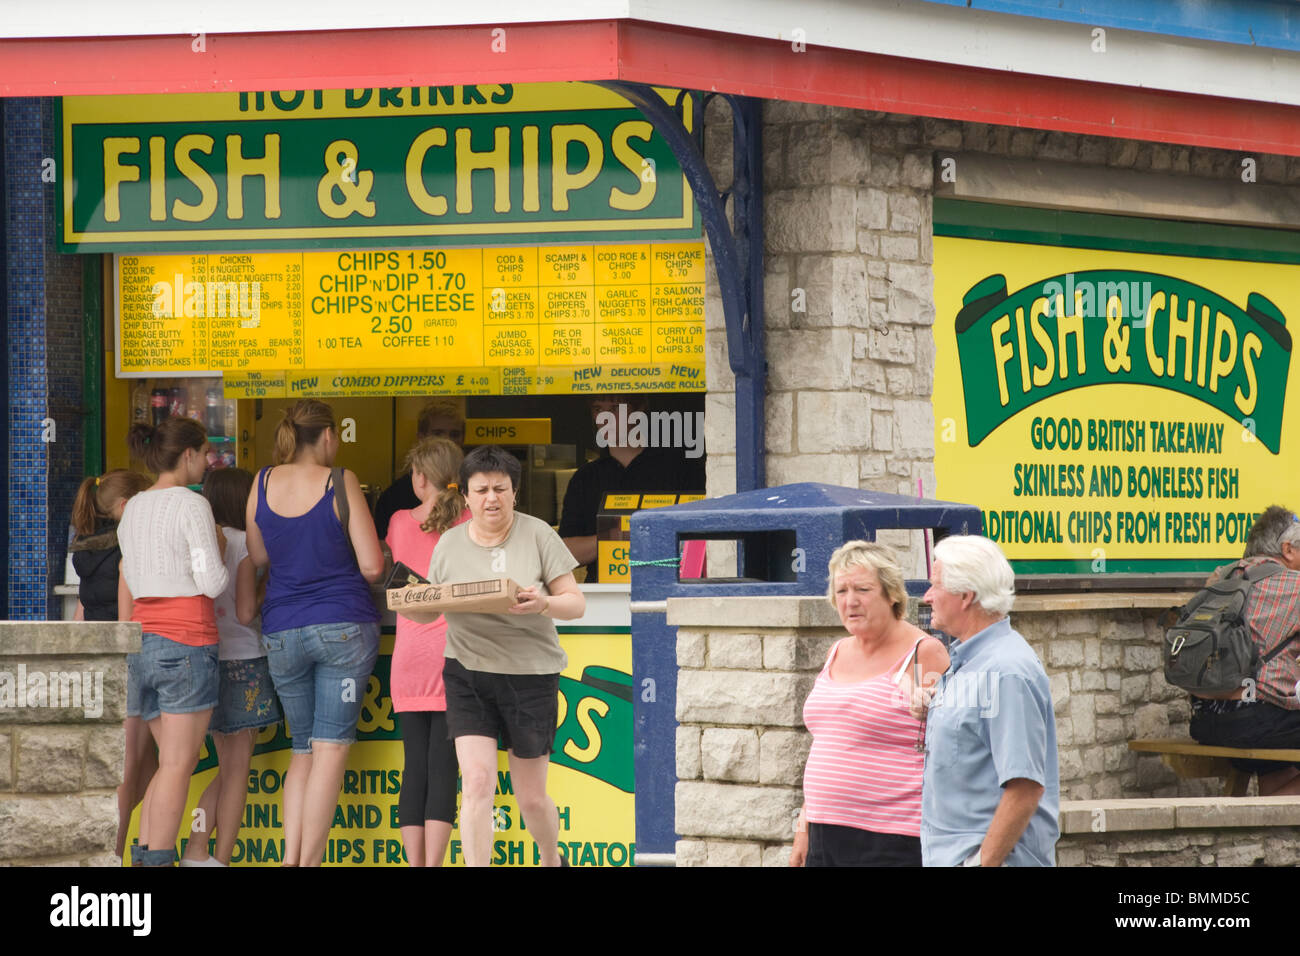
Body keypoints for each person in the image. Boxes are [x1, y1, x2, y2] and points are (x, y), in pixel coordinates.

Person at [427, 444, 586, 867]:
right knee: (477, 782)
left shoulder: (538, 534)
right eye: (481, 490)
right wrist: (413, 601)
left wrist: (544, 604)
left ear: (515, 492)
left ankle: (551, 858)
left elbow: (576, 603)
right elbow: (428, 607)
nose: (491, 498)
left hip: (529, 675)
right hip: (466, 670)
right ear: (465, 496)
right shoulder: (448, 544)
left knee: (530, 797)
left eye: (501, 488)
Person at [245, 399, 385, 867]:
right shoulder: (340, 481)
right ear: (327, 435)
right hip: (342, 627)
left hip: (282, 631)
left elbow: (258, 556)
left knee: (302, 751)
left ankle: (291, 861)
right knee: (329, 751)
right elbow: (371, 566)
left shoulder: (261, 482)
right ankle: (310, 864)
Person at [790, 541, 949, 867]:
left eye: (862, 589)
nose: (850, 601)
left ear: (892, 594)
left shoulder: (922, 654)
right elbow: (828, 744)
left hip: (891, 837)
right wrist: (803, 827)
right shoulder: (837, 651)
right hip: (823, 832)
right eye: (842, 590)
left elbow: (954, 747)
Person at [117, 418, 229, 867]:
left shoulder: (134, 508)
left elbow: (131, 574)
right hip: (186, 643)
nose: (208, 462)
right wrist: (220, 544)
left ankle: (145, 856)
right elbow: (213, 581)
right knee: (178, 765)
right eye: (205, 453)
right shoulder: (192, 505)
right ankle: (159, 860)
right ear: (187, 454)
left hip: (142, 645)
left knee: (168, 764)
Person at [920, 535, 1059, 867]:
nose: (926, 597)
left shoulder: (1006, 671)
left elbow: (1024, 787)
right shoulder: (971, 661)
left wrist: (981, 864)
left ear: (966, 596)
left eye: (935, 585)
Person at [181, 468, 283, 867]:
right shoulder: (244, 544)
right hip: (244, 662)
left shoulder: (201, 543)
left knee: (226, 770)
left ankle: (197, 848)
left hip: (205, 658)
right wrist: (265, 582)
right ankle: (213, 856)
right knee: (236, 772)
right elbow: (244, 613)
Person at [385, 437, 470, 866]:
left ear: (420, 478)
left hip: (409, 657)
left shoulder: (400, 522)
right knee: (444, 767)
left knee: (413, 764)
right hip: (456, 654)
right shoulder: (472, 520)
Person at [69, 467, 155, 861]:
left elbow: (82, 611)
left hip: (101, 658)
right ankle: (113, 851)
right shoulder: (127, 546)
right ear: (127, 505)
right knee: (134, 761)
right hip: (127, 658)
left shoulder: (86, 549)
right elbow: (128, 608)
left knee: (145, 762)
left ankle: (115, 839)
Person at [1187, 505, 1300, 796]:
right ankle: (1259, 820)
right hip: (1258, 725)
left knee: (1279, 766)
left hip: (1205, 721)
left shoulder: (1222, 577)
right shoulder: (1294, 586)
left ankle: (1266, 828)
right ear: (1288, 550)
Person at [559, 394, 705, 580]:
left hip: (667, 588)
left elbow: (702, 537)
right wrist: (622, 536)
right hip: (604, 595)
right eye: (598, 409)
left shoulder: (680, 469)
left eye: (614, 409)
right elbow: (565, 553)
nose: (605, 419)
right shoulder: (585, 477)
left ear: (639, 410)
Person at [373, 399, 466, 539]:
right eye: (438, 433)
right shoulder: (395, 496)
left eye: (454, 434)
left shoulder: (477, 488)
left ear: (463, 438)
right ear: (421, 437)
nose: (447, 440)